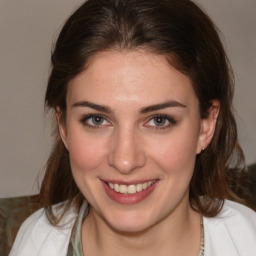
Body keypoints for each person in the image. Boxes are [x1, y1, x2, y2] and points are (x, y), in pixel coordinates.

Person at [9, 0, 256, 255]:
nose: (125, 161)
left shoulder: (248, 242)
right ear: (63, 126)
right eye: (97, 119)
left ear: (205, 126)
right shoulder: (36, 243)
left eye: (159, 120)